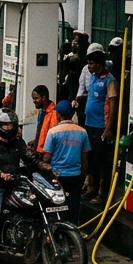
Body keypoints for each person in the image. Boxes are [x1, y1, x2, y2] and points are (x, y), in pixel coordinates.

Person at [0, 108, 43, 264]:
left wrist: (42, 165)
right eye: (5, 124)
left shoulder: (17, 140)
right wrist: (0, 173)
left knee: (35, 208)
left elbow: (28, 155)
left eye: (11, 124)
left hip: (14, 182)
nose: (8, 127)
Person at [42, 101, 91, 223]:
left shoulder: (53, 132)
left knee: (55, 207)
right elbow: (85, 158)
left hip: (57, 176)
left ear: (58, 114)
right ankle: (72, 231)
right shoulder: (82, 131)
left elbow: (47, 157)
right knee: (73, 206)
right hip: (75, 175)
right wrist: (84, 174)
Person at [79, 50, 117, 199]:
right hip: (90, 124)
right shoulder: (93, 78)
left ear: (100, 64)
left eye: (92, 63)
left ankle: (102, 193)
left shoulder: (110, 80)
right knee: (90, 157)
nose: (89, 66)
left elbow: (113, 105)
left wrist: (108, 128)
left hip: (101, 126)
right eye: (88, 63)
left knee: (101, 160)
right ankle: (90, 187)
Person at [30, 84, 58, 153]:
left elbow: (53, 136)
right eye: (33, 98)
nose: (34, 101)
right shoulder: (42, 112)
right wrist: (36, 142)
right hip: (40, 151)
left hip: (47, 153)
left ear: (44, 98)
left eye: (36, 98)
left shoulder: (54, 113)